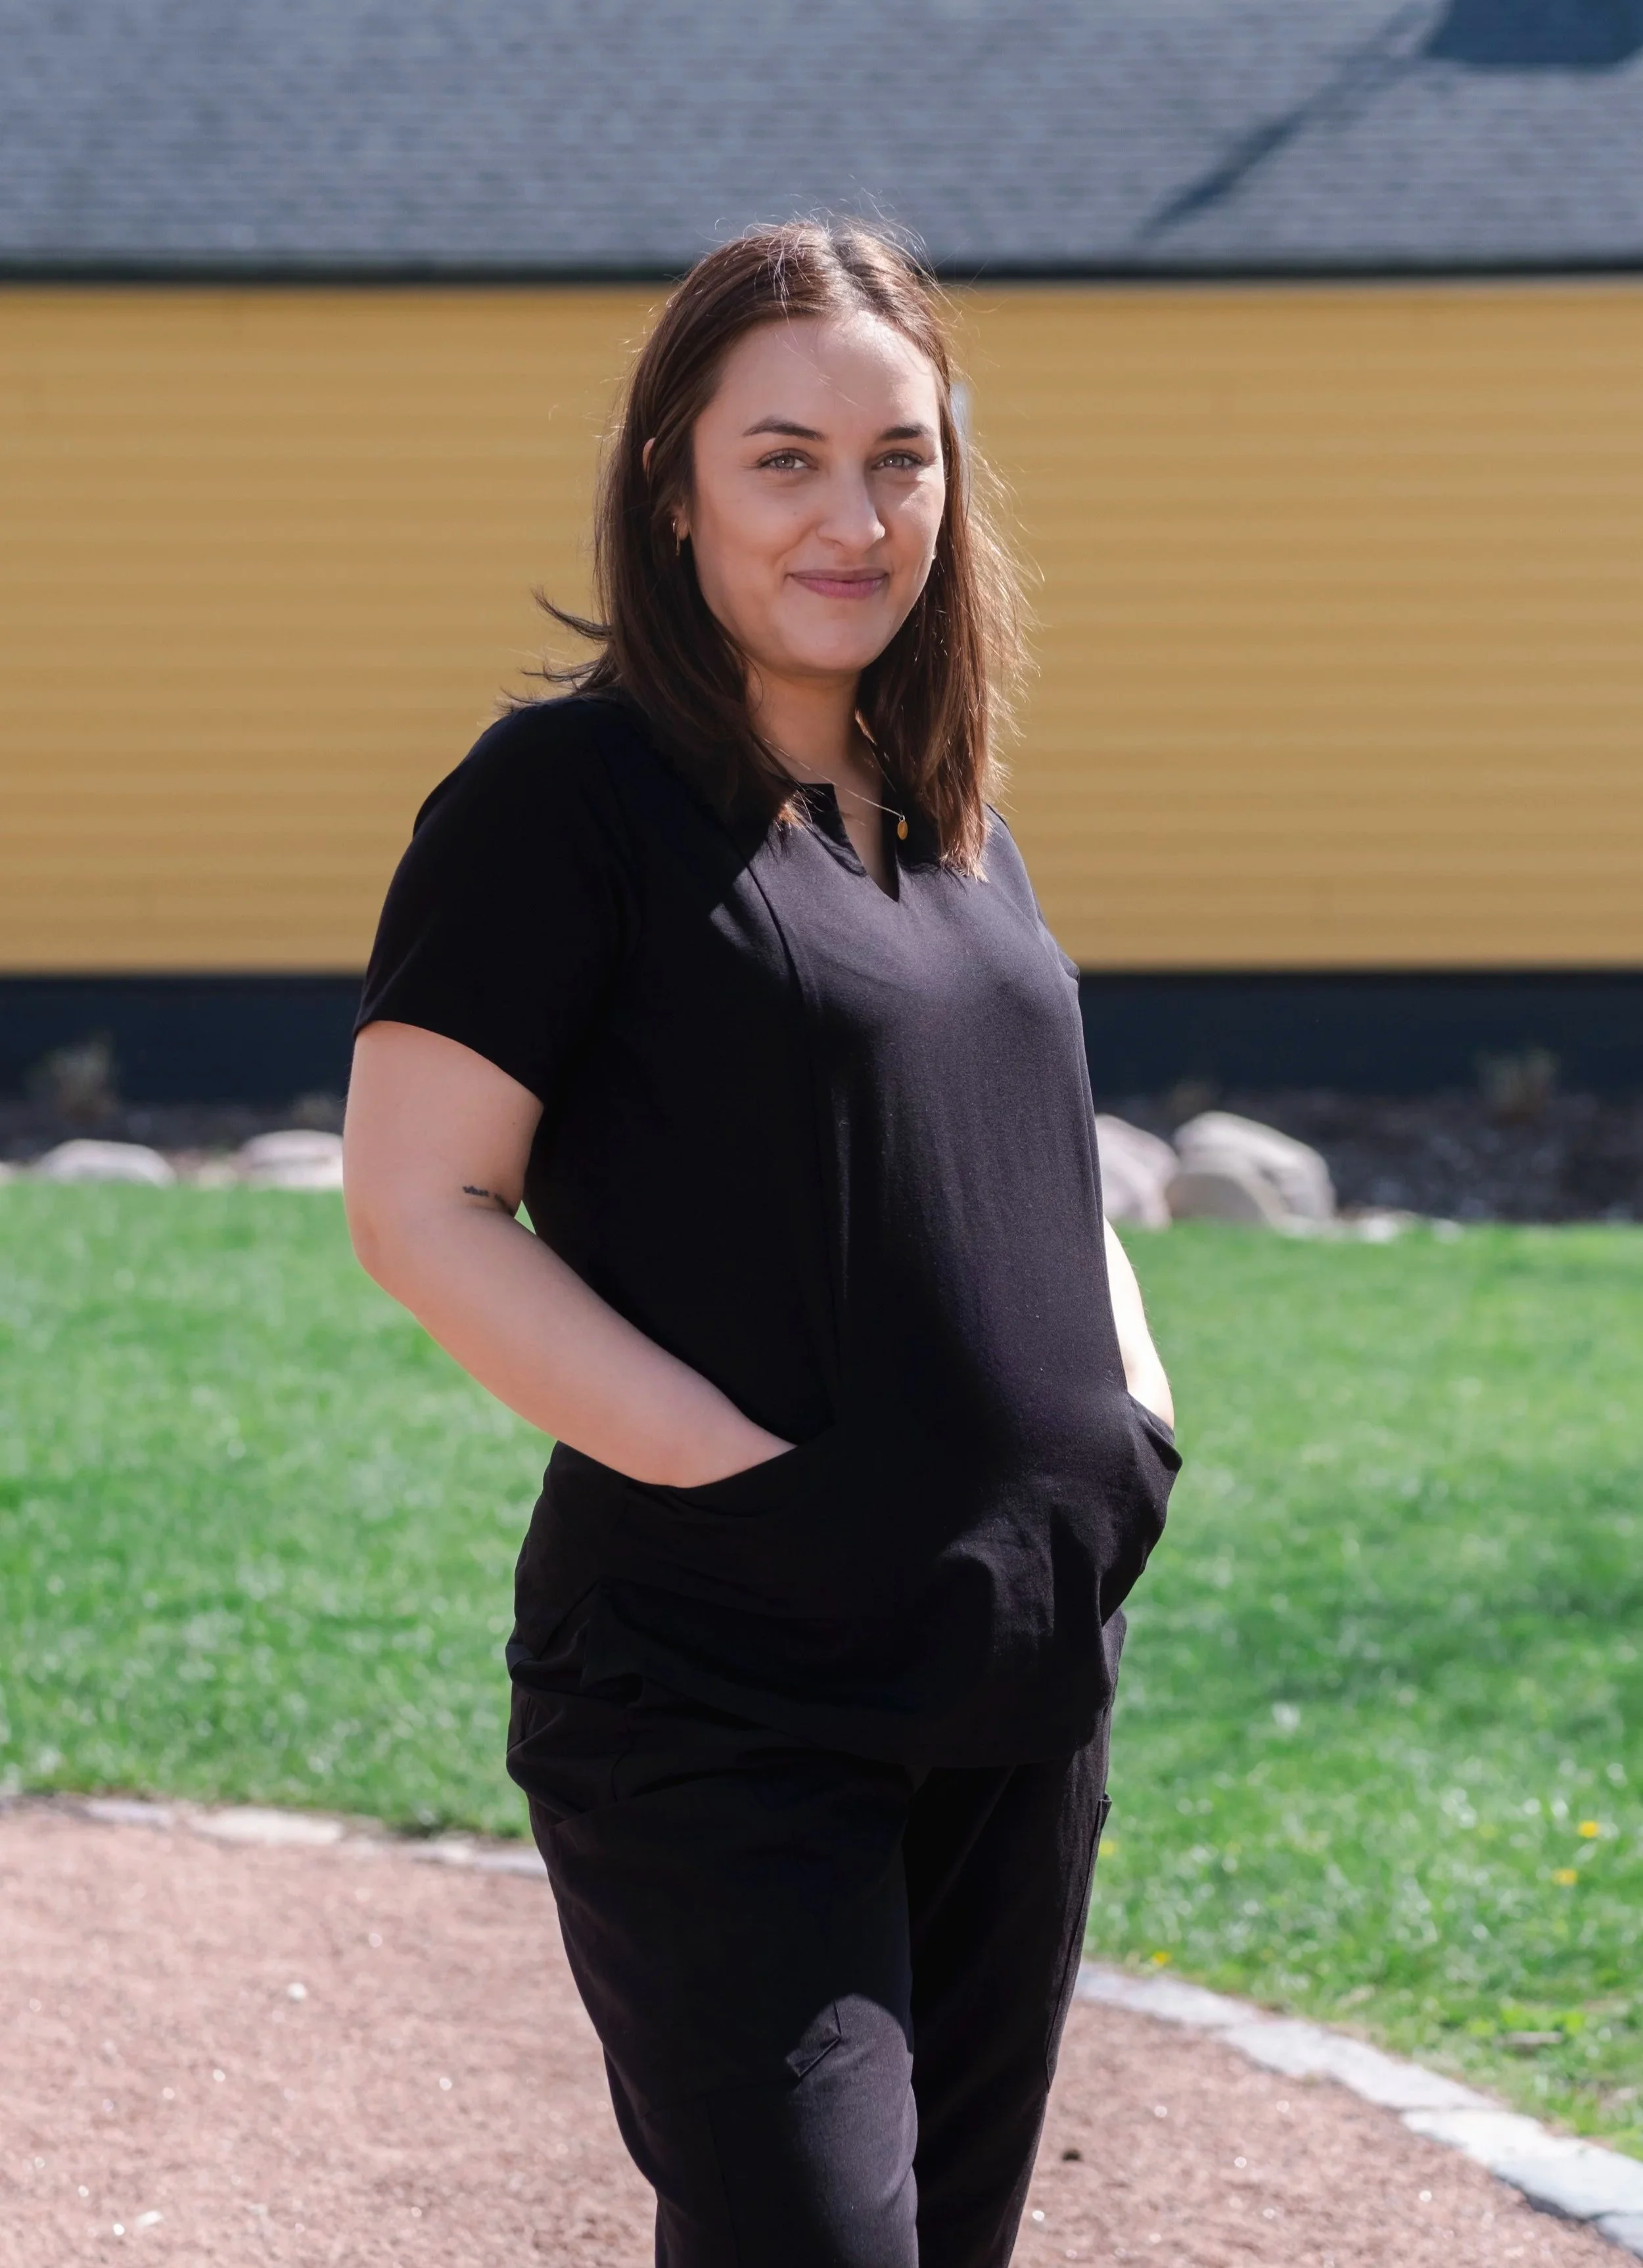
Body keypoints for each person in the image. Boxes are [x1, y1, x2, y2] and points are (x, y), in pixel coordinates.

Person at [343, 218, 1178, 2268]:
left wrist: (1133, 1411)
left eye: (901, 457)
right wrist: (730, 1469)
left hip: (1014, 1684)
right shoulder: (567, 798)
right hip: (725, 1686)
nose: (853, 513)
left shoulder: (946, 806)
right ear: (673, 480)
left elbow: (1037, 1161)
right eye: (784, 456)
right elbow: (419, 1199)